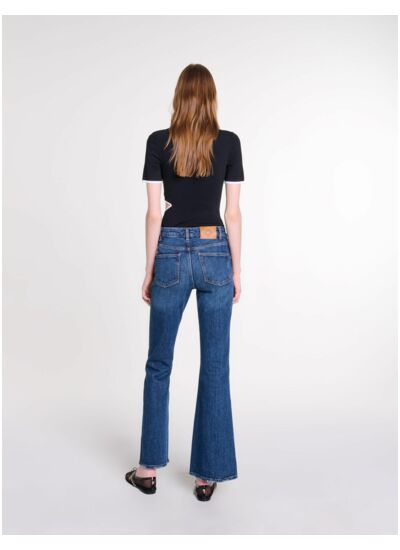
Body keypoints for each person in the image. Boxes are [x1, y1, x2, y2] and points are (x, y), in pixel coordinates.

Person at [125, 63, 244, 502]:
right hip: (215, 251)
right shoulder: (228, 143)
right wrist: (235, 269)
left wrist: (150, 268)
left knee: (159, 363)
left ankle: (147, 469)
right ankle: (206, 475)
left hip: (171, 252)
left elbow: (154, 213)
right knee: (215, 365)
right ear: (211, 98)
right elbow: (232, 213)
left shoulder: (158, 142)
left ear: (179, 97)